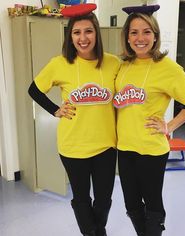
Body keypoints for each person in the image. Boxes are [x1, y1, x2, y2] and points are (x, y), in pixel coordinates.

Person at [28, 4, 120, 236]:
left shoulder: (113, 63)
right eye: (76, 32)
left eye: (88, 31)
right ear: (70, 36)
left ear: (96, 33)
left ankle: (96, 231)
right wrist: (55, 110)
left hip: (106, 145)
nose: (83, 38)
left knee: (103, 199)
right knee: (81, 198)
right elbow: (34, 90)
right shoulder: (59, 63)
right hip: (72, 146)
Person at [113, 4, 185, 236]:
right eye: (134, 32)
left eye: (146, 32)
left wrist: (169, 126)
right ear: (127, 37)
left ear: (155, 36)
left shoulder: (167, 68)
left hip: (151, 149)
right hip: (125, 147)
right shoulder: (123, 66)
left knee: (152, 204)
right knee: (131, 205)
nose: (140, 38)